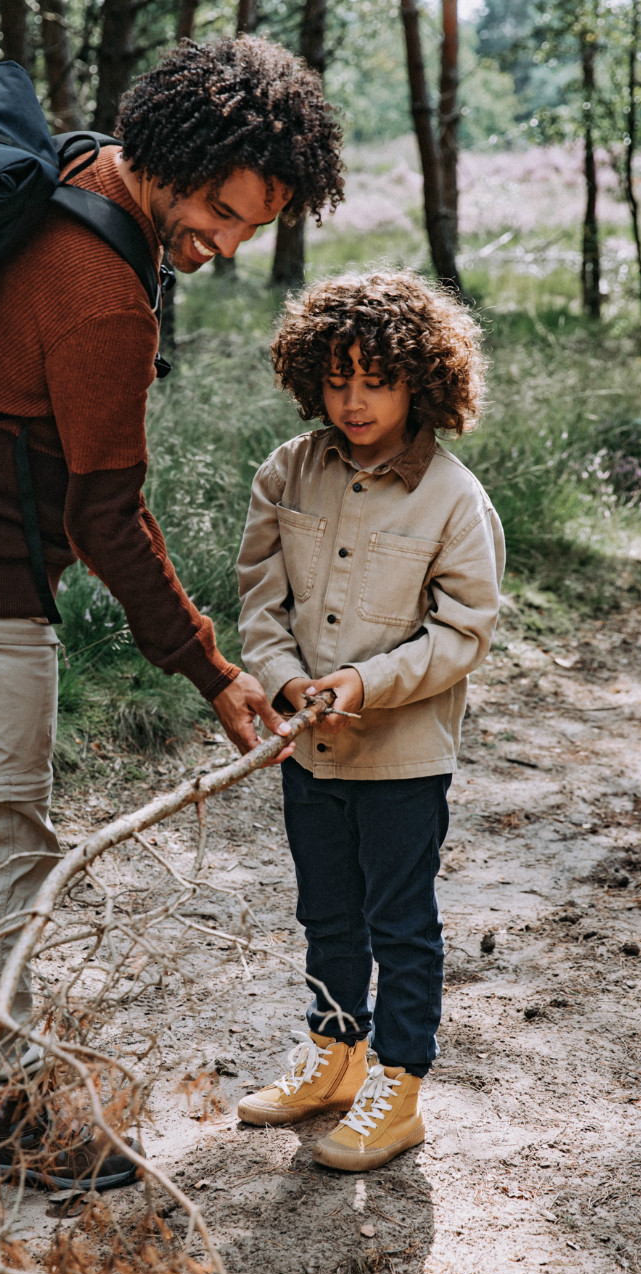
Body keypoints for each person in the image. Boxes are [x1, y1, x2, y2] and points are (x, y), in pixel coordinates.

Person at [0, 36, 345, 1188]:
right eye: (222, 210)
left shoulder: (80, 172)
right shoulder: (103, 298)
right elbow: (109, 519)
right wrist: (211, 668)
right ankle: (6, 1100)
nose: (225, 242)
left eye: (252, 226)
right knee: (4, 821)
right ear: (175, 156)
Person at [235, 269, 505, 1172]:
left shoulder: (454, 499)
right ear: (311, 375)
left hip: (402, 757)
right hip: (309, 750)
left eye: (376, 380)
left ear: (419, 382)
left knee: (400, 922)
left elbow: (463, 633)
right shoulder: (286, 472)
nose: (353, 401)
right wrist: (285, 682)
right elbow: (259, 603)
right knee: (326, 913)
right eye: (337, 379)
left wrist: (362, 684)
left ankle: (399, 1086)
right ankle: (335, 1055)